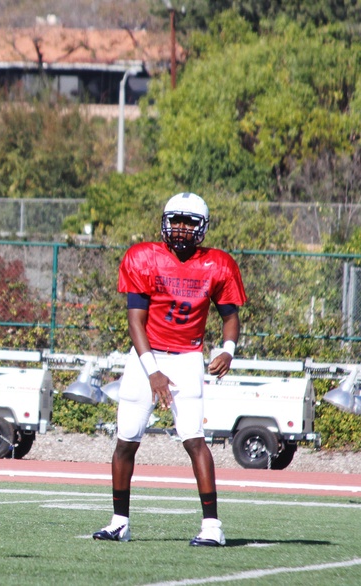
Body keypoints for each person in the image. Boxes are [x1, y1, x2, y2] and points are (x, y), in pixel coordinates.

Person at [93, 192, 246, 547]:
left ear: (202, 227)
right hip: (145, 357)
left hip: (187, 356)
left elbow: (230, 316)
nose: (180, 227)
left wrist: (228, 350)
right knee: (126, 440)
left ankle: (212, 527)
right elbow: (136, 322)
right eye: (175, 220)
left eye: (188, 222)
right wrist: (153, 372)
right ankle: (120, 522)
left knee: (194, 440)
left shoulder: (218, 264)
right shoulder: (144, 258)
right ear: (164, 221)